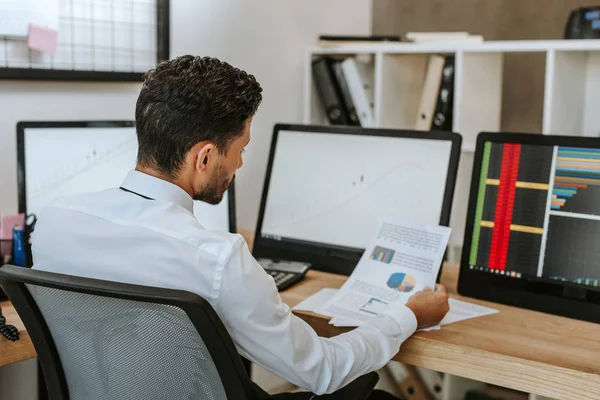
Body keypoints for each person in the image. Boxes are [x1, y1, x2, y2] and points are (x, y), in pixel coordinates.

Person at [31, 55, 450, 399]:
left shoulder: (54, 222)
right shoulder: (218, 260)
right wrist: (407, 315)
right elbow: (322, 372)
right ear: (205, 157)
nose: (240, 165)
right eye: (240, 150)